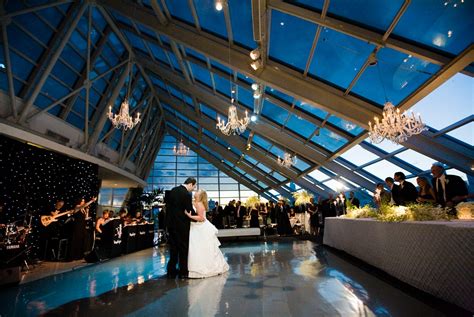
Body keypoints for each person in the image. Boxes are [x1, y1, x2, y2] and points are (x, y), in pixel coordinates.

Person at [184, 190, 229, 278]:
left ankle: (205, 268)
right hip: (198, 226)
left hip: (201, 227)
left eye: (198, 191)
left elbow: (201, 218)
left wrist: (189, 216)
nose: (196, 192)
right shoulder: (196, 202)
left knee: (201, 247)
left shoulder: (200, 204)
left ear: (200, 195)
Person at [165, 177, 196, 278]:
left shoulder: (173, 190)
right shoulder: (186, 194)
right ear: (190, 184)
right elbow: (189, 210)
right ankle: (183, 272)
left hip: (171, 225)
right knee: (183, 248)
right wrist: (198, 218)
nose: (194, 188)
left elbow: (168, 208)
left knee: (173, 248)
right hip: (181, 225)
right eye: (194, 186)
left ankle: (171, 271)